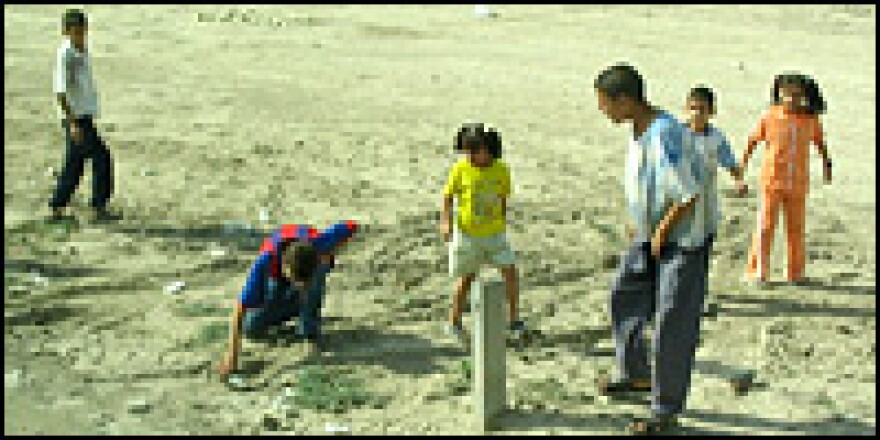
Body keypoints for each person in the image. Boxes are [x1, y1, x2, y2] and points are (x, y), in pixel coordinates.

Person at [593, 63, 708, 435]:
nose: (603, 111)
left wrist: (661, 231)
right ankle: (636, 374)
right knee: (624, 296)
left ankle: (665, 408)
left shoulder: (665, 135)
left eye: (605, 103)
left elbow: (688, 194)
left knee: (672, 320)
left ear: (624, 100)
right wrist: (640, 225)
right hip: (650, 233)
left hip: (683, 239)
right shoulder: (638, 130)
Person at [217, 221, 358, 381]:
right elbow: (239, 308)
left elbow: (351, 226)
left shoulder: (318, 244)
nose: (300, 286)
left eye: (303, 284)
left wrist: (332, 253)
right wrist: (233, 356)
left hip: (313, 262)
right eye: (296, 281)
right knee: (251, 327)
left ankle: (309, 329)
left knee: (318, 275)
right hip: (276, 281)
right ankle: (297, 306)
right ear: (285, 265)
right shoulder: (264, 262)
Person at [741, 72, 832, 284]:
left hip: (798, 182)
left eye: (797, 94)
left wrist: (827, 165)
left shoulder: (810, 120)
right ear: (779, 93)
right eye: (787, 94)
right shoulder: (770, 117)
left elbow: (819, 142)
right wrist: (742, 167)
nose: (791, 99)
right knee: (765, 227)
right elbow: (753, 141)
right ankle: (758, 272)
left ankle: (795, 272)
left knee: (796, 229)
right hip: (771, 181)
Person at [441, 122, 524, 346]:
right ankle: (454, 321)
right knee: (466, 278)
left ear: (490, 150)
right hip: (468, 235)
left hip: (495, 235)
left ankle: (514, 319)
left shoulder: (502, 170)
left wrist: (502, 222)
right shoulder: (460, 169)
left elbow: (503, 197)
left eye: (475, 151)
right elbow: (448, 197)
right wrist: (446, 222)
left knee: (510, 273)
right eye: (466, 150)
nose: (469, 155)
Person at [48, 9, 121, 222]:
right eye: (76, 32)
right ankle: (98, 207)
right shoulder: (66, 55)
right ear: (66, 31)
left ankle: (57, 206)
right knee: (101, 158)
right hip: (75, 118)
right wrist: (72, 123)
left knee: (75, 163)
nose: (80, 35)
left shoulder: (82, 50)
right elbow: (60, 92)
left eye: (83, 31)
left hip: (83, 116)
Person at [682, 86, 747, 282]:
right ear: (686, 109)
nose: (697, 113)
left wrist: (739, 180)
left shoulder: (716, 138)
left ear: (712, 112)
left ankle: (700, 289)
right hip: (681, 200)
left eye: (702, 109)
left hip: (707, 201)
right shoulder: (678, 135)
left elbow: (728, 161)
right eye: (693, 108)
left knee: (703, 243)